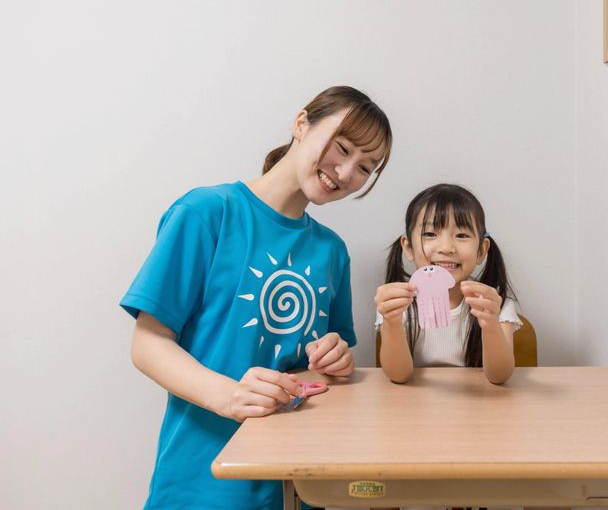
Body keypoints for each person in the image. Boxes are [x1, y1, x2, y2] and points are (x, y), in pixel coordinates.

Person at [120, 86, 392, 509]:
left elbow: (321, 371)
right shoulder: (206, 213)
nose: (345, 172)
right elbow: (148, 345)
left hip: (298, 483)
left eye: (364, 168)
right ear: (301, 124)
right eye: (342, 147)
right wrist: (230, 396)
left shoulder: (332, 251)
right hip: (204, 482)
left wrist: (336, 360)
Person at [374, 184, 520, 385]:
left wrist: (490, 324)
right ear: (408, 247)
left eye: (461, 235)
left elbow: (499, 376)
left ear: (481, 250)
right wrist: (392, 322)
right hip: (416, 400)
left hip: (477, 401)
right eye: (430, 234)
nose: (446, 248)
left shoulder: (496, 303)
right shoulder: (396, 302)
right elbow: (399, 376)